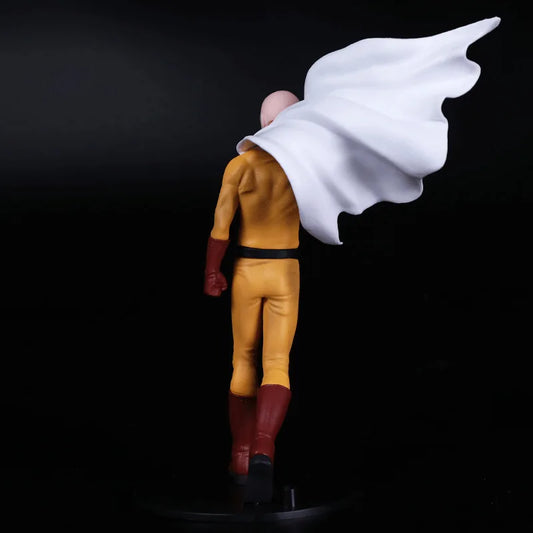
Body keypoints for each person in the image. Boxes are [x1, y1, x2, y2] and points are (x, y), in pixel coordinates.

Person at [204, 90, 300, 502]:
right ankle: (264, 448)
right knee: (277, 362)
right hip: (286, 270)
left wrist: (212, 270)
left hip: (247, 269)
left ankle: (241, 457)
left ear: (263, 122)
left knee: (242, 359)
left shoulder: (240, 167)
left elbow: (220, 227)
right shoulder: (304, 168)